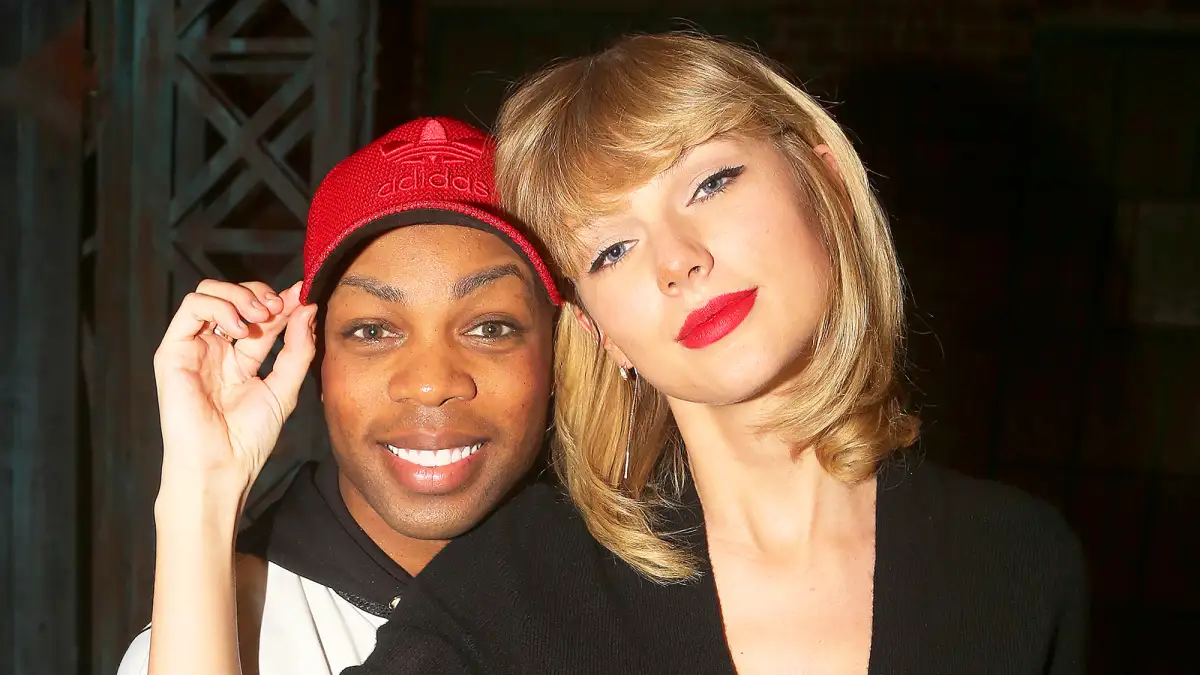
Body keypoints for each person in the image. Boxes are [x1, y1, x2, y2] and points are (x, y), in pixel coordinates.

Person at [351, 34, 1088, 674]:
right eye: (612, 248)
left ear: (825, 181)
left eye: (710, 182)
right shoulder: (510, 587)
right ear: (598, 328)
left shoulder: (1016, 561)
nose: (677, 260)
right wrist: (227, 490)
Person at [116, 116, 561, 675]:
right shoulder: (211, 643)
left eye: (491, 328)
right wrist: (202, 488)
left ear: (558, 352)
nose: (429, 382)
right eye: (373, 331)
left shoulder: (641, 597)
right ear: (313, 354)